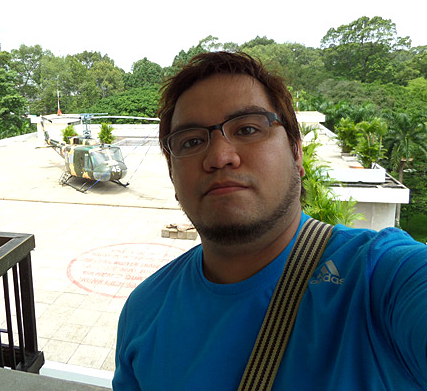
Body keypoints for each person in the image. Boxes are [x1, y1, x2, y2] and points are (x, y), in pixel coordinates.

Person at [113, 52, 427, 390]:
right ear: (173, 174)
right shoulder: (144, 311)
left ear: (296, 153)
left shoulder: (380, 278)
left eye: (248, 128)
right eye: (191, 141)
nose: (219, 157)